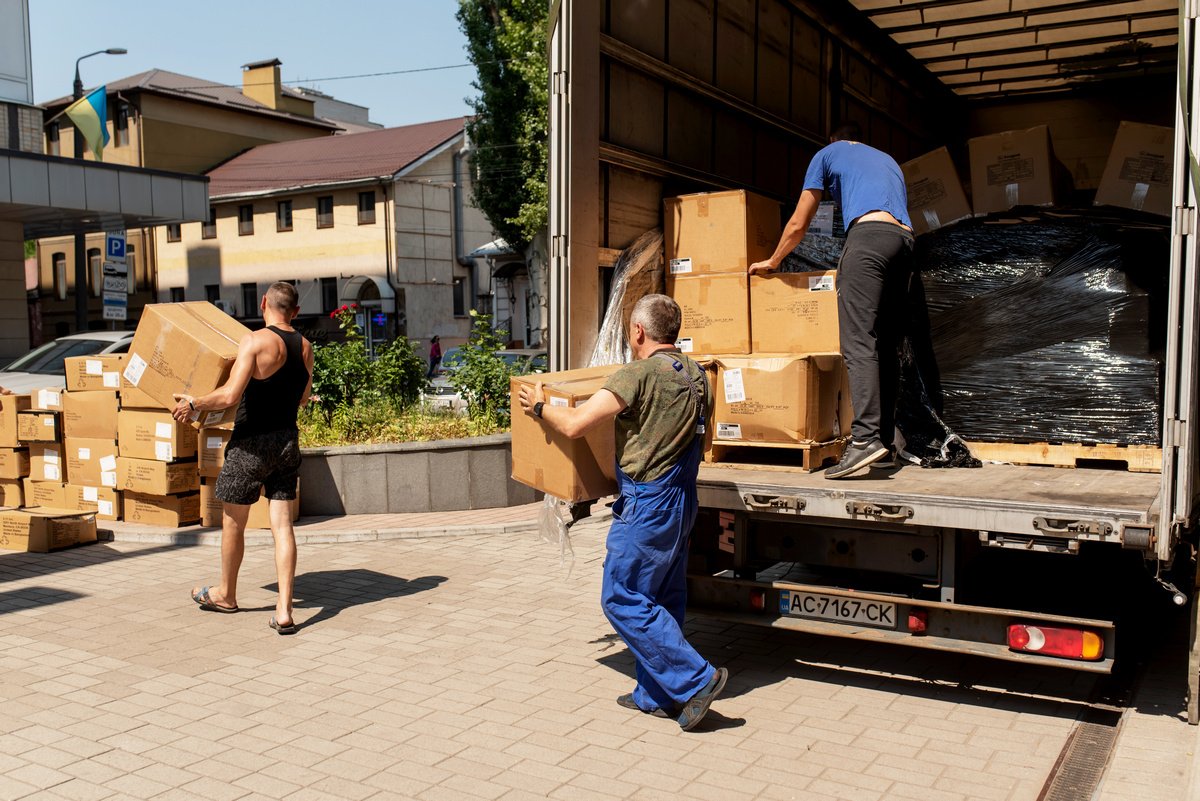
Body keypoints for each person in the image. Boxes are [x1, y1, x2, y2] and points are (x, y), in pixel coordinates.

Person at [517, 294, 728, 731]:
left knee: (622, 597)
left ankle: (696, 679)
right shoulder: (697, 374)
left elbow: (575, 424)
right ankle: (654, 694)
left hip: (648, 504)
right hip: (683, 498)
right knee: (664, 598)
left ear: (637, 331)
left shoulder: (637, 373)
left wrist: (539, 407)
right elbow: (705, 444)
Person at [750, 122, 915, 479]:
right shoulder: (887, 160)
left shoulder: (826, 155)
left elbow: (799, 222)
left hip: (869, 238)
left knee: (857, 342)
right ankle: (883, 443)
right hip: (904, 243)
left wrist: (773, 261)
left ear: (834, 141)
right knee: (885, 346)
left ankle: (865, 439)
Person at [173, 281, 314, 635]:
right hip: (286, 442)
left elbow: (230, 395)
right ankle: (284, 610)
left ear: (264, 302)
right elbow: (302, 398)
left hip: (251, 444)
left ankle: (226, 594)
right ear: (295, 312)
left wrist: (194, 403)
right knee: (282, 525)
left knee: (234, 522)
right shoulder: (306, 347)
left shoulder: (254, 341)